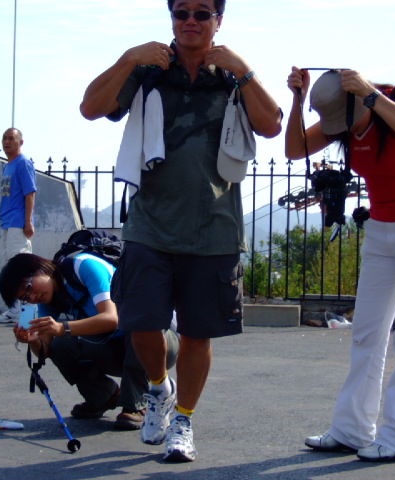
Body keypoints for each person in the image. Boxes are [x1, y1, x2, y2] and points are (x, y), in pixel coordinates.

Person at [79, 0, 282, 462]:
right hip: (149, 224)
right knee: (141, 323)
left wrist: (245, 71)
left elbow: (271, 125)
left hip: (214, 226)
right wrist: (128, 58)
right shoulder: (149, 69)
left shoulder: (230, 76)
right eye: (181, 13)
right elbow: (91, 107)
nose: (190, 21)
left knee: (196, 333)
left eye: (202, 13)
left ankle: (184, 420)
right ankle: (158, 388)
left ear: (218, 21)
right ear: (171, 18)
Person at [286, 67, 395, 462]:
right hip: (382, 230)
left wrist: (370, 95)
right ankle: (351, 429)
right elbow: (295, 149)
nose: (338, 131)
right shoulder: (343, 120)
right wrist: (297, 100)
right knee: (366, 333)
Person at [1, 252, 180, 430]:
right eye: (25, 297)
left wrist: (62, 328)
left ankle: (135, 404)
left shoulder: (84, 266)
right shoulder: (48, 300)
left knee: (138, 327)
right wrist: (32, 341)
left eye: (28, 287)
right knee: (61, 345)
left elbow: (112, 319)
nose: (32, 297)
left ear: (40, 268)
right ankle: (103, 397)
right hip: (117, 347)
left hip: (160, 341)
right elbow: (46, 351)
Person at [0, 128, 37, 324]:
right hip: (7, 222)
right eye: (4, 138)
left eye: (11, 138)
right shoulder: (8, 166)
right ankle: (15, 309)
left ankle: (27, 314)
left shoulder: (23, 163)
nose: (7, 142)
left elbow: (30, 193)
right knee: (12, 269)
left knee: (22, 268)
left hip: (18, 223)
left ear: (20, 142)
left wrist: (28, 221)